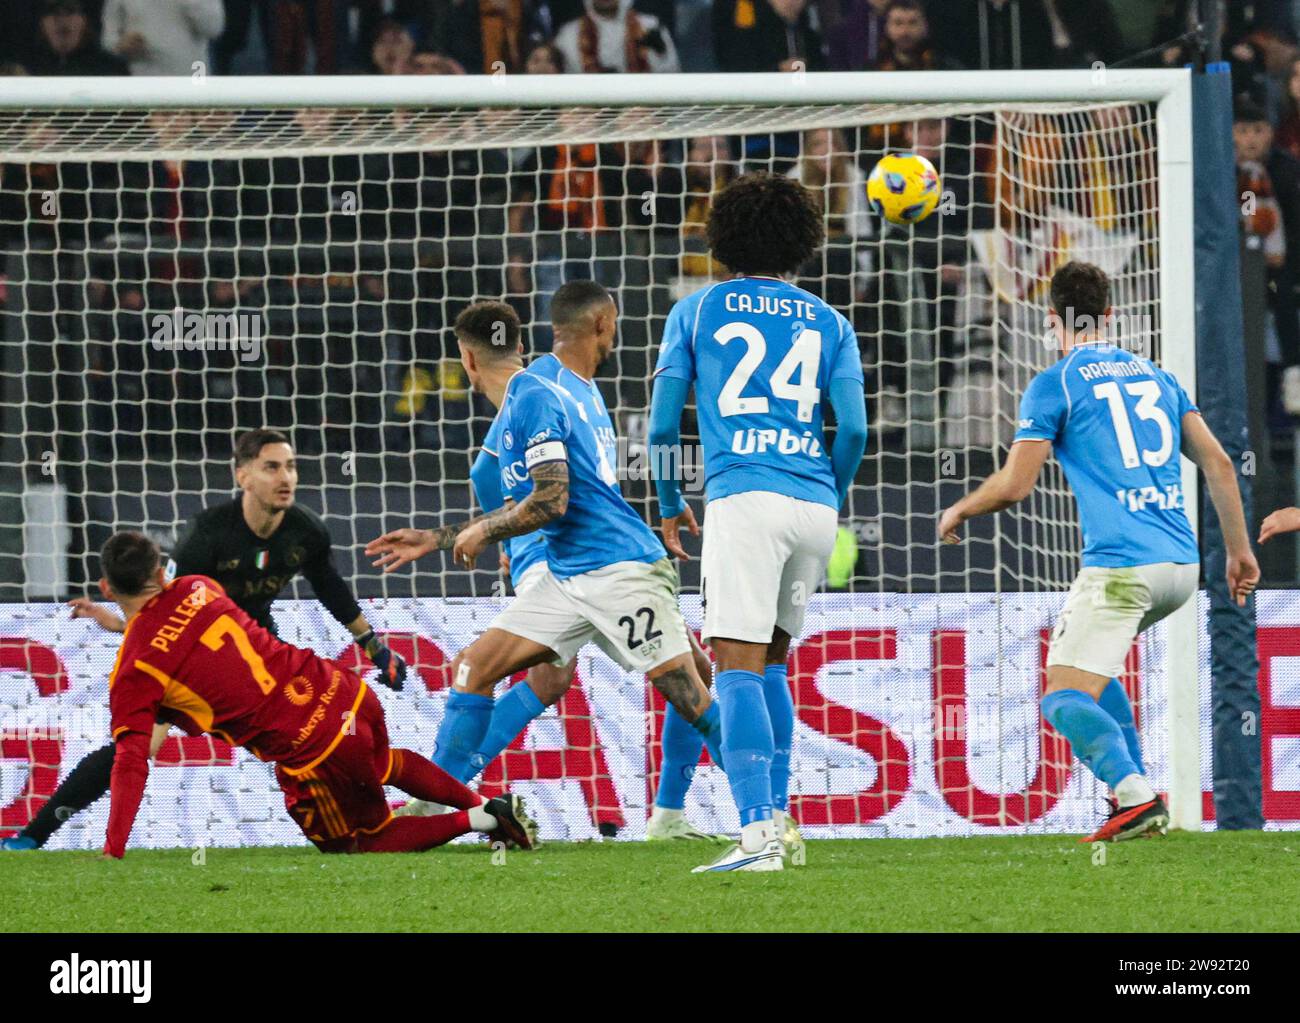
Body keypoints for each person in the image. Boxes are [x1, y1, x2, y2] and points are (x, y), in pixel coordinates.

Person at [366, 285, 757, 870]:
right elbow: (540, 488)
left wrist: (488, 535)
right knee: (492, 669)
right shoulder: (560, 388)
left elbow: (548, 493)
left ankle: (754, 812)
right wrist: (464, 536)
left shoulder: (536, 401)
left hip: (599, 565)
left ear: (467, 361)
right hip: (566, 568)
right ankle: (441, 803)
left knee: (685, 682)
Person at [938, 261, 1259, 843]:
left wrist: (960, 508)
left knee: (1060, 698)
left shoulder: (1055, 382)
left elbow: (1015, 485)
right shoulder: (1159, 377)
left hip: (1122, 567)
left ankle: (1136, 797)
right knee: (1091, 674)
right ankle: (1130, 798)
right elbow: (1217, 462)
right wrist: (1238, 551)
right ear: (1110, 315)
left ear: (1050, 320)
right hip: (1181, 567)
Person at [2, 429, 406, 851]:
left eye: (290, 466)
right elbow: (167, 615)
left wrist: (375, 649)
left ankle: (370, 824)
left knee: (317, 737)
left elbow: (331, 589)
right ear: (243, 477)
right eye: (272, 467)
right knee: (136, 746)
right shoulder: (208, 536)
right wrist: (125, 626)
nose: (285, 477)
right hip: (189, 663)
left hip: (256, 654)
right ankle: (33, 836)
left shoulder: (305, 531)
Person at [649, 173, 869, 872]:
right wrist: (826, 494)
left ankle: (756, 838)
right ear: (801, 243)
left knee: (735, 664)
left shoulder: (696, 309)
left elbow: (662, 423)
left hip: (745, 496)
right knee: (772, 659)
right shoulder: (831, 321)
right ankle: (778, 819)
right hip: (813, 506)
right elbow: (856, 430)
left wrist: (664, 496)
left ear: (723, 238)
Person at [91, 531, 531, 858]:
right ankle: (484, 803)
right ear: (159, 569)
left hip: (313, 745)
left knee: (360, 842)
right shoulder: (199, 586)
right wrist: (130, 628)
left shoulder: (135, 669)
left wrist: (113, 847)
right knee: (385, 762)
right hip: (342, 689)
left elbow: (131, 757)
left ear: (107, 589)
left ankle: (484, 818)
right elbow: (180, 633)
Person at [101, 0, 226, 76]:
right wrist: (121, 45)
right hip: (145, 80)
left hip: (194, 76)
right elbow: (108, 39)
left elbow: (214, 29)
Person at [553, 0, 680, 74]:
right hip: (587, 112)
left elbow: (671, 72)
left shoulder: (649, 26)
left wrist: (660, 55)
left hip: (641, 110)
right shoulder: (569, 33)